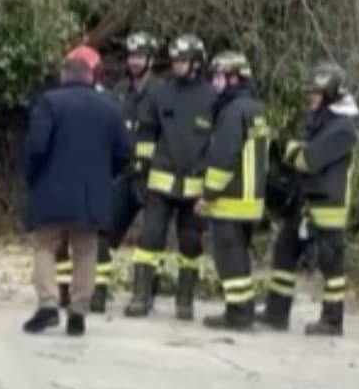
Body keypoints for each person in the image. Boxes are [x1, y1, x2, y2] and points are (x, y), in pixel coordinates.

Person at [20, 46, 133, 337]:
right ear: (91, 76)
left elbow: (36, 146)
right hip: (91, 194)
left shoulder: (49, 102)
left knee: (45, 245)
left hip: (51, 189)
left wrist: (31, 177)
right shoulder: (109, 107)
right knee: (86, 250)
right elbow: (125, 152)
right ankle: (79, 310)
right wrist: (105, 175)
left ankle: (48, 304)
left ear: (64, 75)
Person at [60, 32, 160, 312]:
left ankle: (146, 293)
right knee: (102, 233)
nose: (135, 61)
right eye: (131, 56)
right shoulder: (119, 91)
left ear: (151, 60)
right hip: (122, 175)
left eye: (140, 56)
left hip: (152, 176)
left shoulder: (161, 93)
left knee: (150, 238)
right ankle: (98, 293)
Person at [262, 62, 359, 335]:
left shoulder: (343, 128)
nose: (311, 98)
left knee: (331, 265)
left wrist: (293, 151)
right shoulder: (320, 121)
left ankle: (332, 320)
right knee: (285, 250)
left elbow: (308, 160)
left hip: (328, 206)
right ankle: (276, 313)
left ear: (330, 95)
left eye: (316, 93)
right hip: (306, 202)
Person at [128, 35, 216, 320]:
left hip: (195, 186)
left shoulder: (212, 97)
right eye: (175, 60)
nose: (177, 64)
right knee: (150, 238)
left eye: (183, 60)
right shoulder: (160, 93)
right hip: (161, 181)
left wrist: (212, 185)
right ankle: (141, 296)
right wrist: (141, 168)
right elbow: (147, 132)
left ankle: (185, 299)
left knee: (190, 244)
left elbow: (219, 142)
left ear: (197, 64)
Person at [200, 51, 270, 332]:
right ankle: (242, 309)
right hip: (251, 199)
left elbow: (224, 157)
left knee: (230, 259)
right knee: (239, 257)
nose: (214, 83)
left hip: (231, 198)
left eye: (219, 77)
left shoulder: (232, 112)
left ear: (234, 79)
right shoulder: (256, 109)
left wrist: (208, 194)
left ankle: (238, 314)